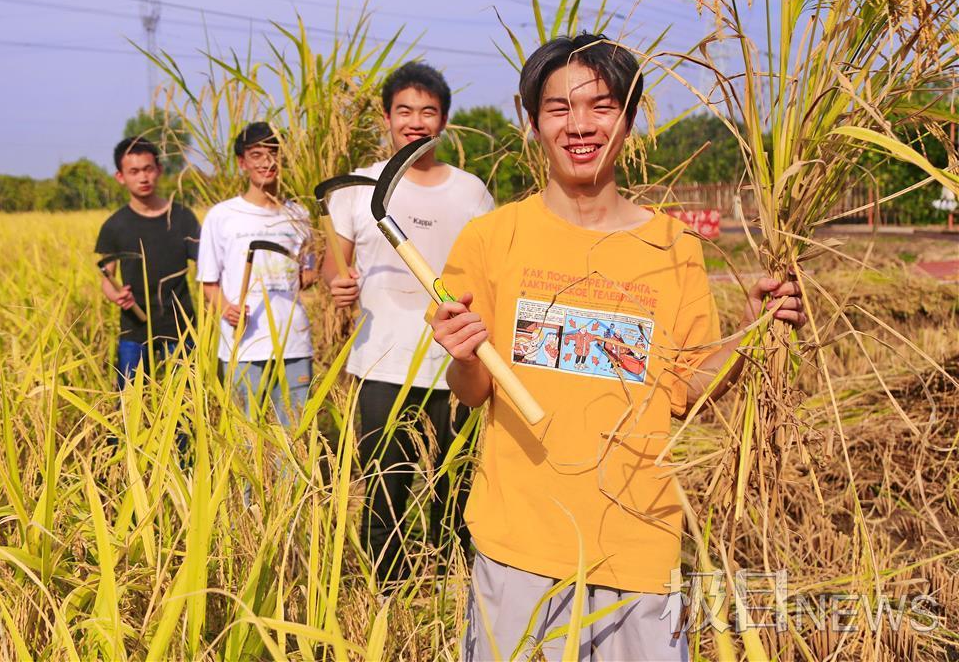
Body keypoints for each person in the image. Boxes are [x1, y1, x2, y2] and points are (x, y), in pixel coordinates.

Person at [428, 34, 806, 661]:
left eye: (601, 106)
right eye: (558, 108)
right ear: (532, 122)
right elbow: (472, 393)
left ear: (629, 119)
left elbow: (687, 388)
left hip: (640, 542)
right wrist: (464, 356)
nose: (580, 125)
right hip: (519, 543)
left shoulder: (672, 245)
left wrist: (754, 331)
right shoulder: (494, 236)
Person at [322, 61, 495, 584]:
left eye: (428, 111)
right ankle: (389, 593)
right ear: (387, 117)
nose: (415, 122)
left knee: (456, 485)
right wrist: (337, 282)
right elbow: (334, 261)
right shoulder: (356, 189)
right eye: (405, 111)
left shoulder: (472, 193)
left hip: (457, 366)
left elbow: (490, 275)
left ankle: (450, 589)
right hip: (380, 362)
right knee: (384, 489)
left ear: (443, 120)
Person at [198, 121, 315, 427]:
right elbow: (208, 282)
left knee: (295, 437)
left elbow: (307, 272)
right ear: (242, 162)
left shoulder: (299, 215)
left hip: (294, 343)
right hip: (244, 345)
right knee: (246, 439)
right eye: (257, 155)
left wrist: (317, 273)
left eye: (274, 153)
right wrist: (226, 309)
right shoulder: (222, 216)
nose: (268, 162)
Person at [95, 136, 200, 389]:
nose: (143, 177)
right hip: (135, 328)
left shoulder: (183, 217)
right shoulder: (114, 226)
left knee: (184, 405)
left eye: (148, 169)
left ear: (159, 170)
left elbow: (207, 268)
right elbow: (106, 278)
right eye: (133, 171)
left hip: (180, 327)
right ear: (120, 176)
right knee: (130, 403)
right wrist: (117, 295)